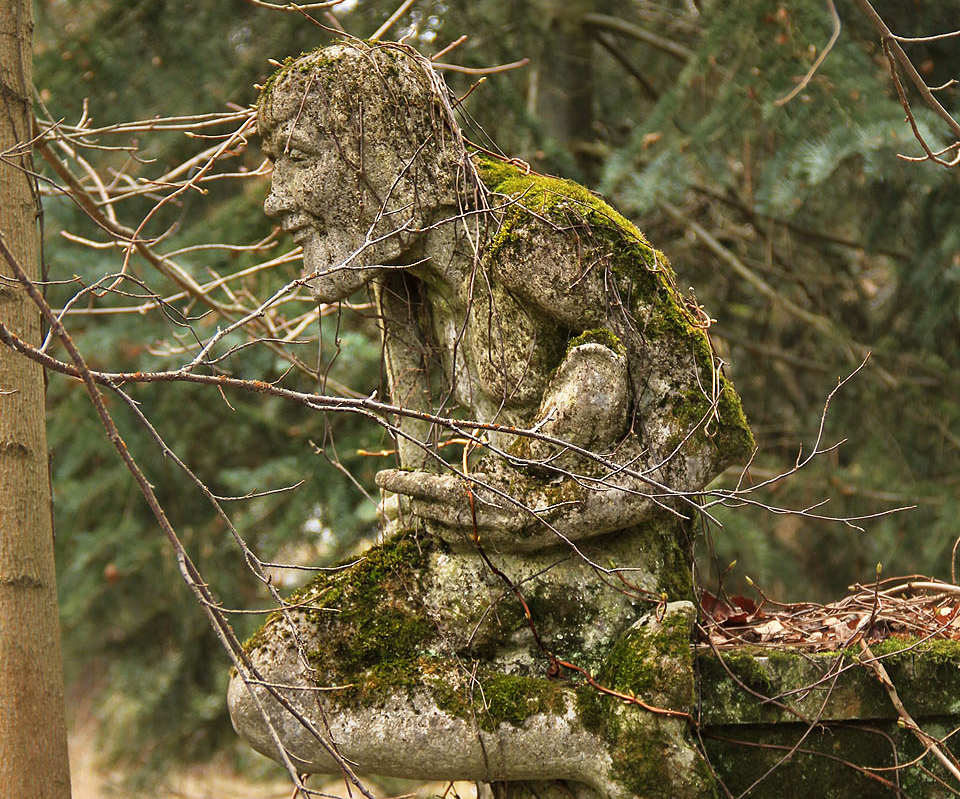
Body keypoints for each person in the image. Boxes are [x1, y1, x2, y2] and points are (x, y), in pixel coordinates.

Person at [257, 39, 753, 554]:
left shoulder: (532, 237)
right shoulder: (402, 278)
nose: (275, 199)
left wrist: (550, 512)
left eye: (297, 157)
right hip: (496, 568)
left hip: (608, 576)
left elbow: (706, 423)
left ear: (384, 151)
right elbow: (425, 485)